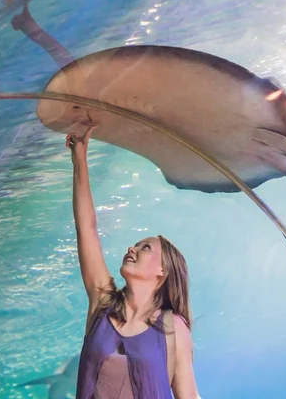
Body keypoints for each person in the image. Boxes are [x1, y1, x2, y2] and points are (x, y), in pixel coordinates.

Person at [66, 125, 200, 399]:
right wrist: (79, 160)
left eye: (145, 247)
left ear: (163, 271)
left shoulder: (174, 327)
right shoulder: (102, 304)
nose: (133, 248)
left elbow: (188, 396)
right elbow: (87, 229)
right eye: (136, 244)